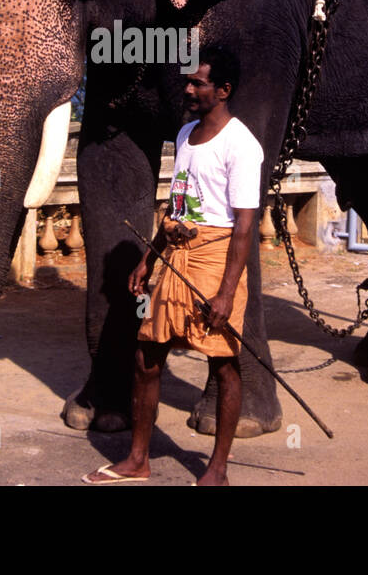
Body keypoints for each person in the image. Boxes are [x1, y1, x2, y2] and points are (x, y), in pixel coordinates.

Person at [81, 46, 263, 486]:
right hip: (174, 257)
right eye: (188, 81)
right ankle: (137, 460)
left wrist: (225, 292)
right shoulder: (184, 135)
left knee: (221, 362)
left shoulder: (242, 145)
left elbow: (244, 227)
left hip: (216, 259)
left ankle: (216, 469)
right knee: (147, 356)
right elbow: (176, 205)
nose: (188, 89)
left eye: (198, 83)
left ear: (223, 90)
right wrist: (150, 257)